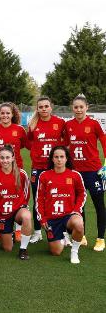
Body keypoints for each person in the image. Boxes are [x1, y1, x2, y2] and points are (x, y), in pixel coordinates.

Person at [63, 94, 106, 250]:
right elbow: (65, 145)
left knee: (99, 205)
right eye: (76, 107)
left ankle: (101, 238)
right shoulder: (69, 126)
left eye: (81, 107)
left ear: (87, 107)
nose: (79, 109)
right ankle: (83, 236)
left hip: (93, 172)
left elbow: (104, 141)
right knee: (78, 206)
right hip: (76, 173)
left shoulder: (94, 124)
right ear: (72, 109)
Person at [36, 146, 85, 264]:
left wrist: (77, 210)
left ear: (67, 158)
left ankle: (74, 251)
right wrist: (42, 219)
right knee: (56, 252)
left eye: (62, 157)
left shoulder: (75, 175)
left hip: (69, 215)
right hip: (52, 218)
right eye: (56, 157)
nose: (59, 160)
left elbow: (82, 194)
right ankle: (64, 236)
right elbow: (39, 199)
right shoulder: (44, 176)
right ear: (52, 159)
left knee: (78, 224)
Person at [26, 97, 65, 243]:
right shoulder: (33, 124)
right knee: (37, 200)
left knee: (59, 198)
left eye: (46, 106)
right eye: (40, 107)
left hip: (55, 167)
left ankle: (63, 232)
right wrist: (36, 152)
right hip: (37, 167)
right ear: (37, 109)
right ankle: (37, 232)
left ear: (51, 107)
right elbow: (29, 141)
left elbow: (66, 140)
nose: (43, 109)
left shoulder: (59, 123)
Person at [0, 102, 28, 242]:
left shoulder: (19, 129)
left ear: (13, 114)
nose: (5, 115)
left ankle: (17, 230)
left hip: (16, 169)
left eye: (7, 113)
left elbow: (25, 144)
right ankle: (1, 227)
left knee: (16, 196)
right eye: (2, 113)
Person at [0, 145, 31, 260]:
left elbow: (26, 193)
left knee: (26, 216)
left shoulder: (21, 174)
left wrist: (23, 206)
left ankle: (23, 249)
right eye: (2, 158)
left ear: (13, 158)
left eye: (7, 157)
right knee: (7, 248)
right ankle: (8, 232)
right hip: (3, 213)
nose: (5, 160)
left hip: (17, 210)